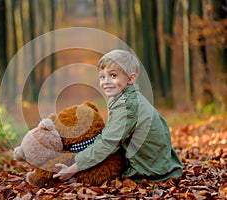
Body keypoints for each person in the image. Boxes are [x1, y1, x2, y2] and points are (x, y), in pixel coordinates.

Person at [53, 49, 183, 183]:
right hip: (158, 163)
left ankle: (72, 172)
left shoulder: (127, 106)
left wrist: (73, 169)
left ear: (130, 79)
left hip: (148, 171)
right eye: (102, 76)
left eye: (113, 75)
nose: (106, 81)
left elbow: (108, 143)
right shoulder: (128, 98)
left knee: (98, 165)